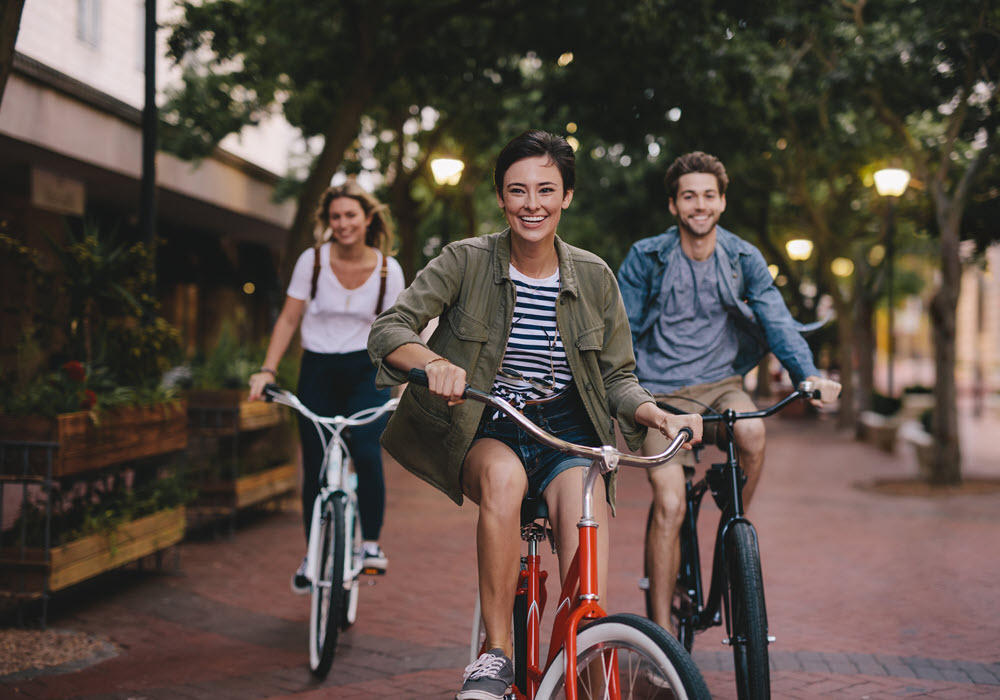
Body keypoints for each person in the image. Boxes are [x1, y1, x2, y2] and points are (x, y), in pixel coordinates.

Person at [368, 130, 703, 700]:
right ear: (500, 197)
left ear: (567, 196)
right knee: (504, 478)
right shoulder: (465, 260)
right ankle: (495, 655)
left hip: (568, 430)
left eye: (546, 190)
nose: (532, 204)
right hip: (488, 422)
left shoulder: (595, 276)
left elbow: (618, 377)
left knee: (582, 539)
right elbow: (388, 330)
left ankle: (581, 656)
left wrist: (656, 414)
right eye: (517, 190)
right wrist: (432, 363)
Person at [616, 150, 842, 633]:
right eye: (689, 196)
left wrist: (808, 375)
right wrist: (627, 396)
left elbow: (777, 322)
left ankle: (729, 530)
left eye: (709, 196)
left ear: (722, 202)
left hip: (723, 386)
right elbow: (623, 334)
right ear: (674, 206)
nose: (700, 205)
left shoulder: (742, 258)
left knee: (756, 434)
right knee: (671, 504)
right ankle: (661, 642)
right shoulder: (646, 258)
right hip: (660, 397)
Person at [249, 180, 405, 592]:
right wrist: (267, 369)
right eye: (335, 216)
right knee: (315, 466)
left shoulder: (388, 268)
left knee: (367, 451)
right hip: (317, 369)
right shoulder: (312, 262)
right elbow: (287, 319)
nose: (342, 223)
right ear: (328, 221)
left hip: (366, 370)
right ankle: (313, 552)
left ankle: (370, 544)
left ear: (367, 218)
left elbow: (402, 330)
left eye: (350, 215)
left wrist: (407, 384)